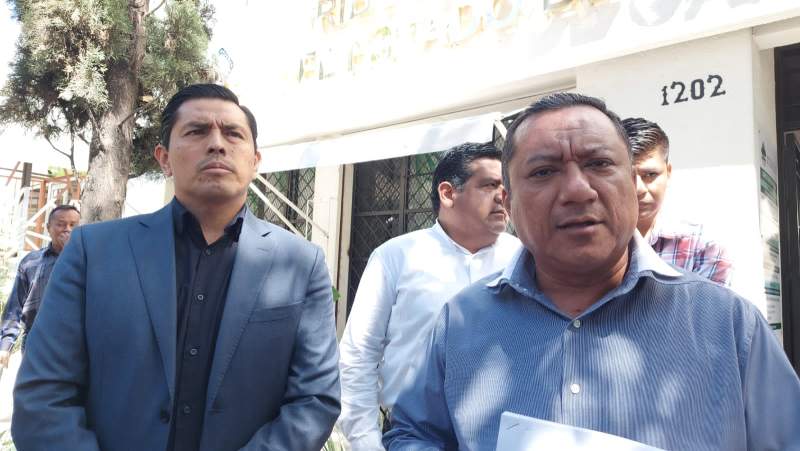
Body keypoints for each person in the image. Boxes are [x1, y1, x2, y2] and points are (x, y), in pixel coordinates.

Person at [384, 93, 800, 450]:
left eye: (599, 164)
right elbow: (413, 433)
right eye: (544, 171)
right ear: (509, 204)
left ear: (633, 184)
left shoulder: (730, 326)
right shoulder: (460, 322)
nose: (577, 190)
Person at [12, 84, 340, 451]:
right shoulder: (94, 252)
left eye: (233, 134)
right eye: (197, 131)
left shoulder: (301, 263)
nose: (217, 144)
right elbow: (44, 394)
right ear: (164, 158)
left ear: (255, 162)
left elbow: (314, 399)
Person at [339, 142, 520, 450]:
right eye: (490, 185)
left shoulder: (524, 260)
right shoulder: (395, 257)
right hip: (411, 437)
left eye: (506, 187)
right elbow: (359, 355)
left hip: (500, 437)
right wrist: (367, 442)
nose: (502, 197)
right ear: (448, 193)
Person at [622, 117, 732, 285]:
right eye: (627, 176)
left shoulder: (703, 247)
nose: (638, 189)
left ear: (668, 173)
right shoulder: (592, 242)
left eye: (650, 175)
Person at [0, 205, 80, 366]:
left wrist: (69, 253)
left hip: (75, 344)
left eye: (73, 225)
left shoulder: (87, 263)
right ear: (48, 228)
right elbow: (15, 305)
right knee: (35, 383)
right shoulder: (31, 261)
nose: (67, 229)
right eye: (61, 224)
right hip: (36, 341)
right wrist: (5, 345)